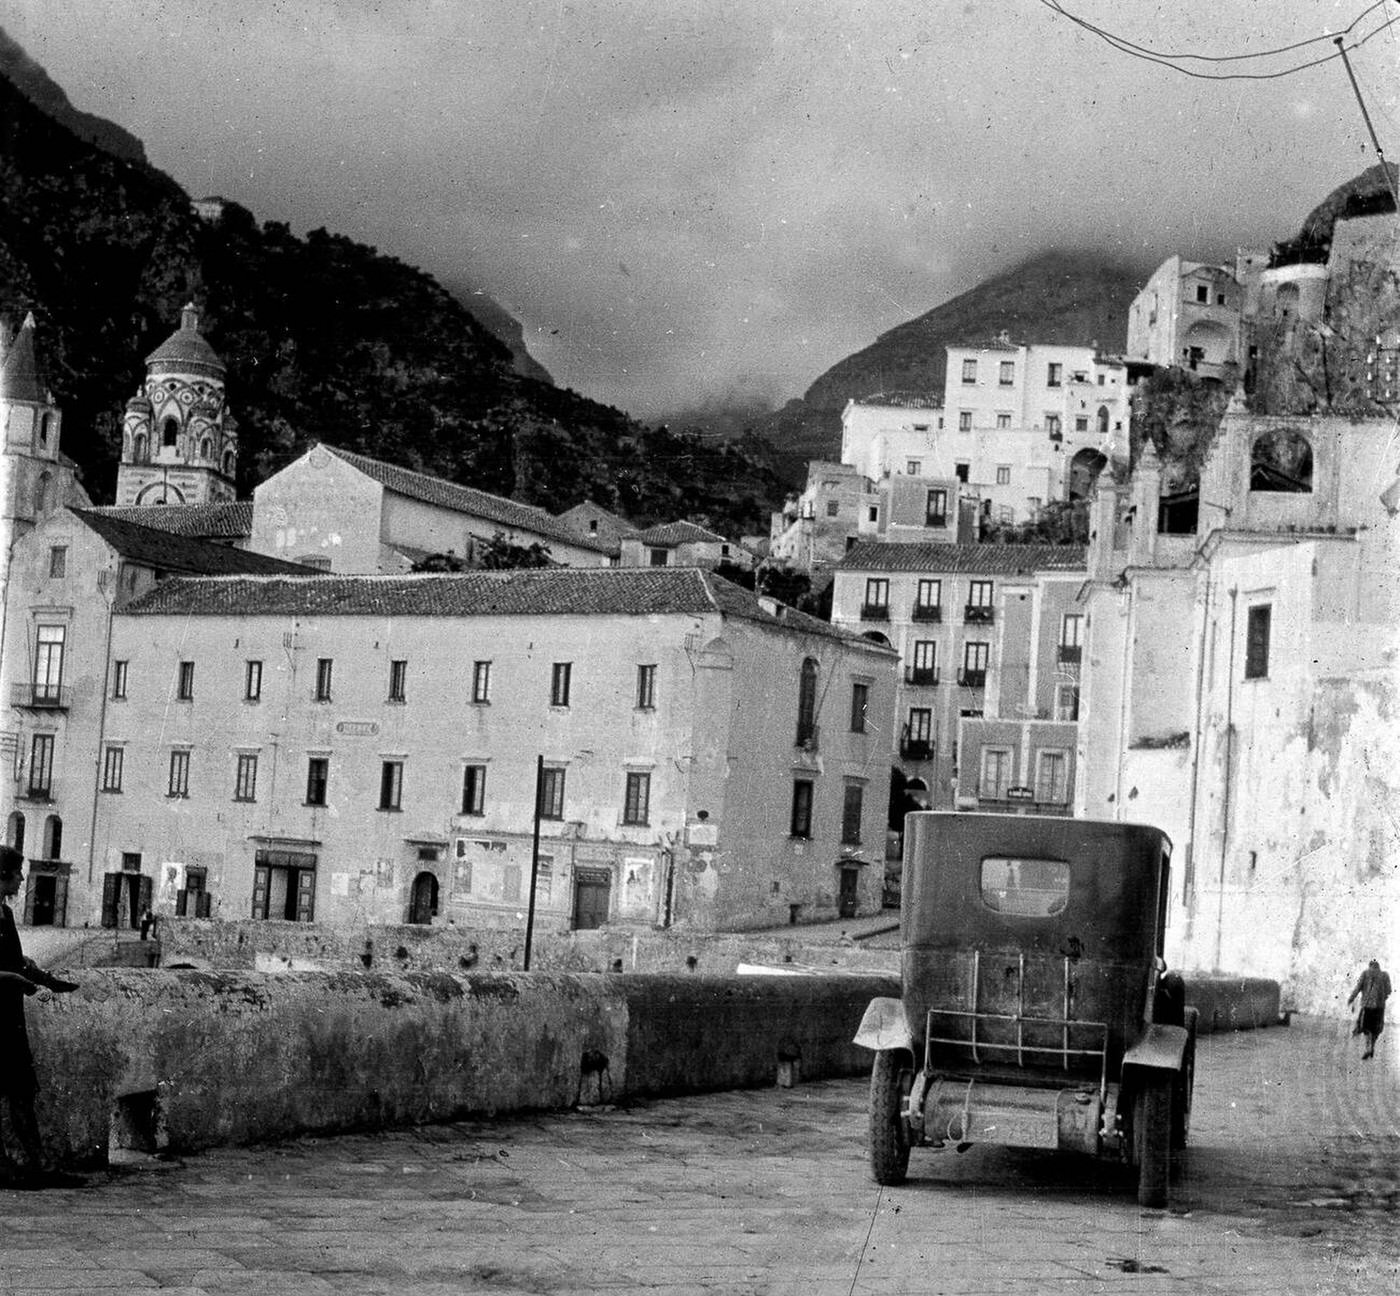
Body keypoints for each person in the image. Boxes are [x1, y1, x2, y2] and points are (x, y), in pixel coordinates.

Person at [0, 845, 81, 1188]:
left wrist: (41, 976)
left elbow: (13, 960)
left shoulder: (5, 914)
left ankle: (40, 1164)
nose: (21, 879)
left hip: (9, 1017)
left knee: (21, 1091)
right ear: (3, 875)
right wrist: (16, 980)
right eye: (17, 873)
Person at [1347, 958, 1392, 1060]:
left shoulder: (1365, 973)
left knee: (1366, 1028)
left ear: (1370, 966)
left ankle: (1368, 1048)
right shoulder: (1385, 975)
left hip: (1367, 1005)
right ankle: (1372, 1047)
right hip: (1380, 1007)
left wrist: (1351, 998)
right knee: (1376, 1029)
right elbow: (1389, 990)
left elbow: (1358, 988)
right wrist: (1382, 997)